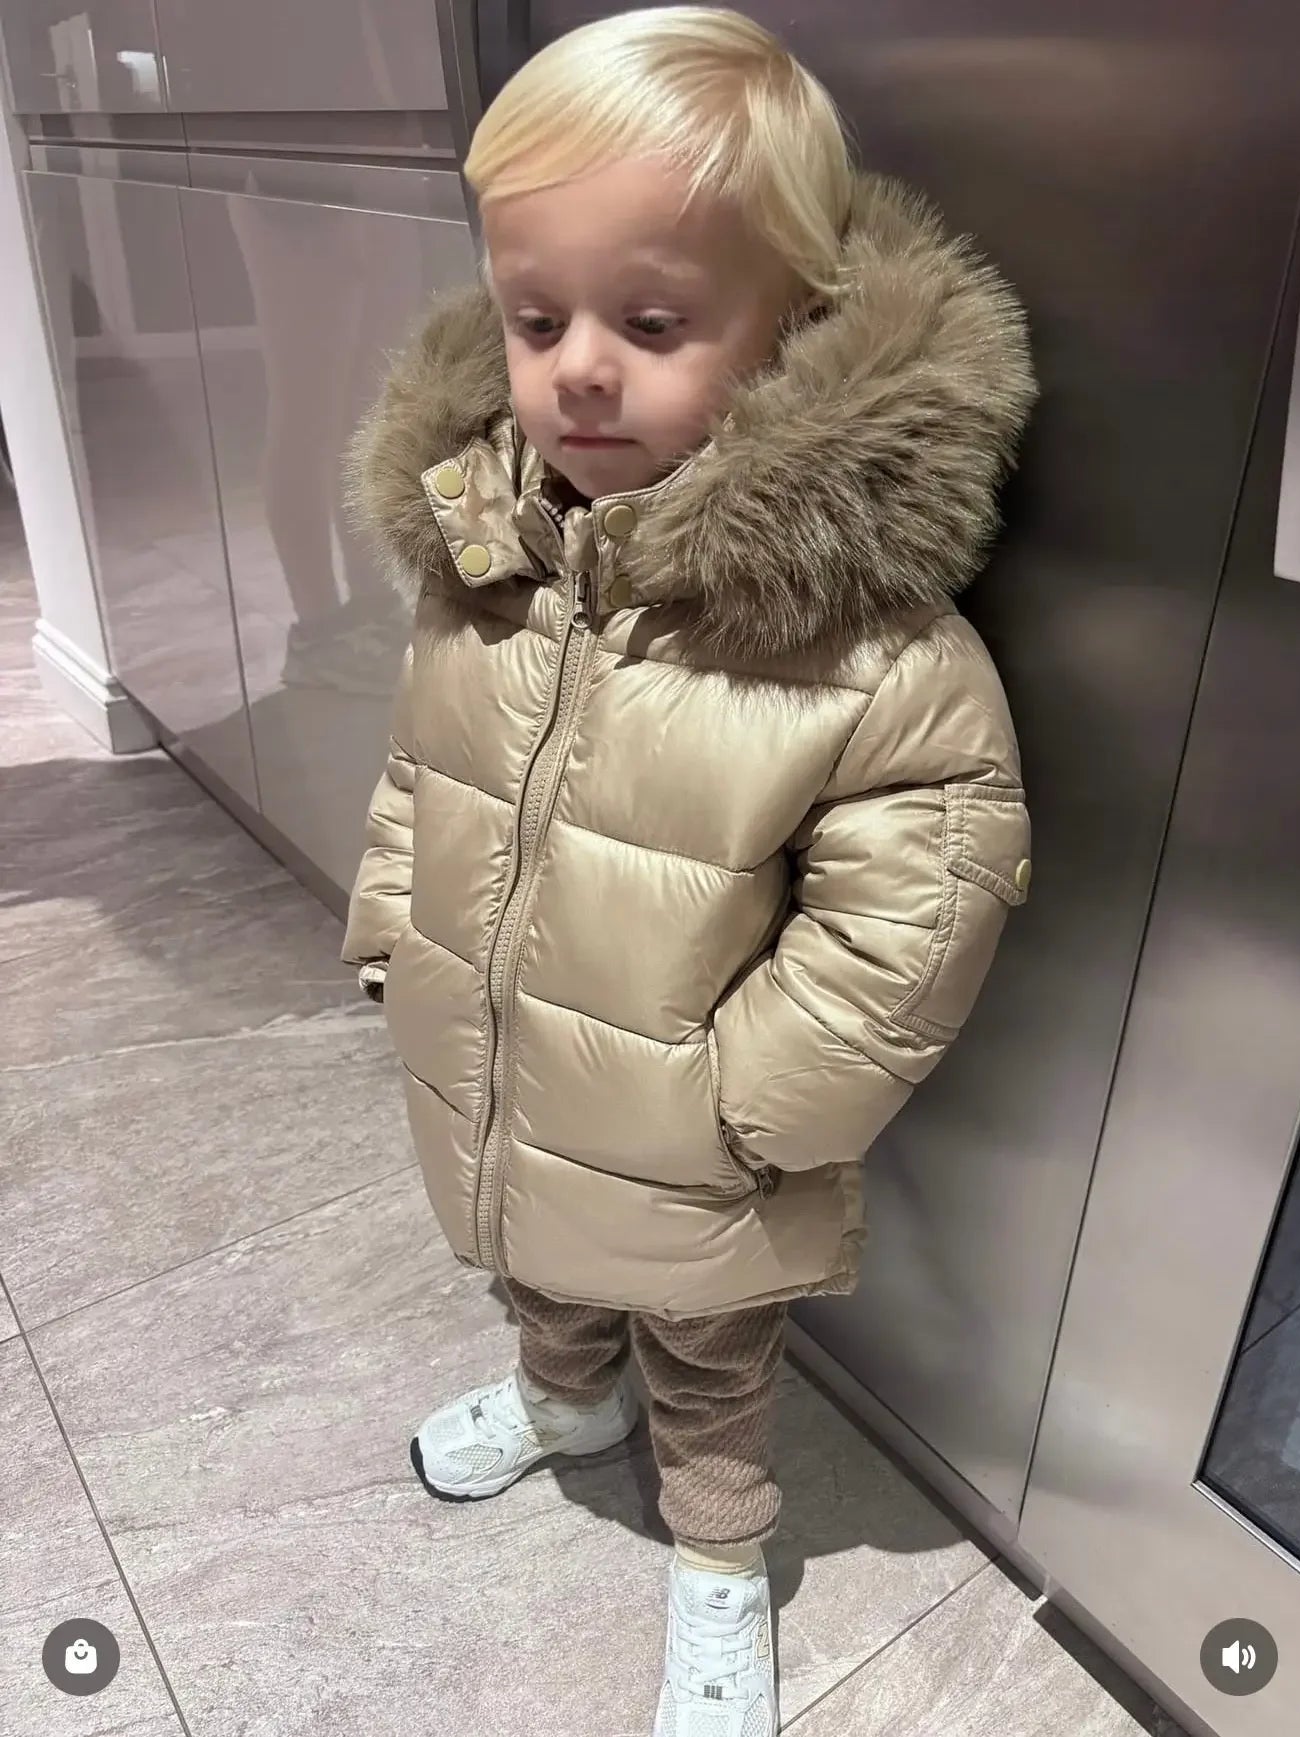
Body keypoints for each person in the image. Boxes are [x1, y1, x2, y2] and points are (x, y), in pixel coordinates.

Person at [341, 9, 1036, 1734]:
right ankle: (563, 1401)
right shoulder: (483, 561)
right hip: (501, 1074)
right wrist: (388, 939)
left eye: (651, 324)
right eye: (535, 317)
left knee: (713, 1363)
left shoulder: (863, 645)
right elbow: (424, 773)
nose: (579, 365)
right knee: (537, 1267)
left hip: (697, 1131)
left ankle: (722, 1565)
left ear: (793, 329)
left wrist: (753, 1109)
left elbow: (917, 908)